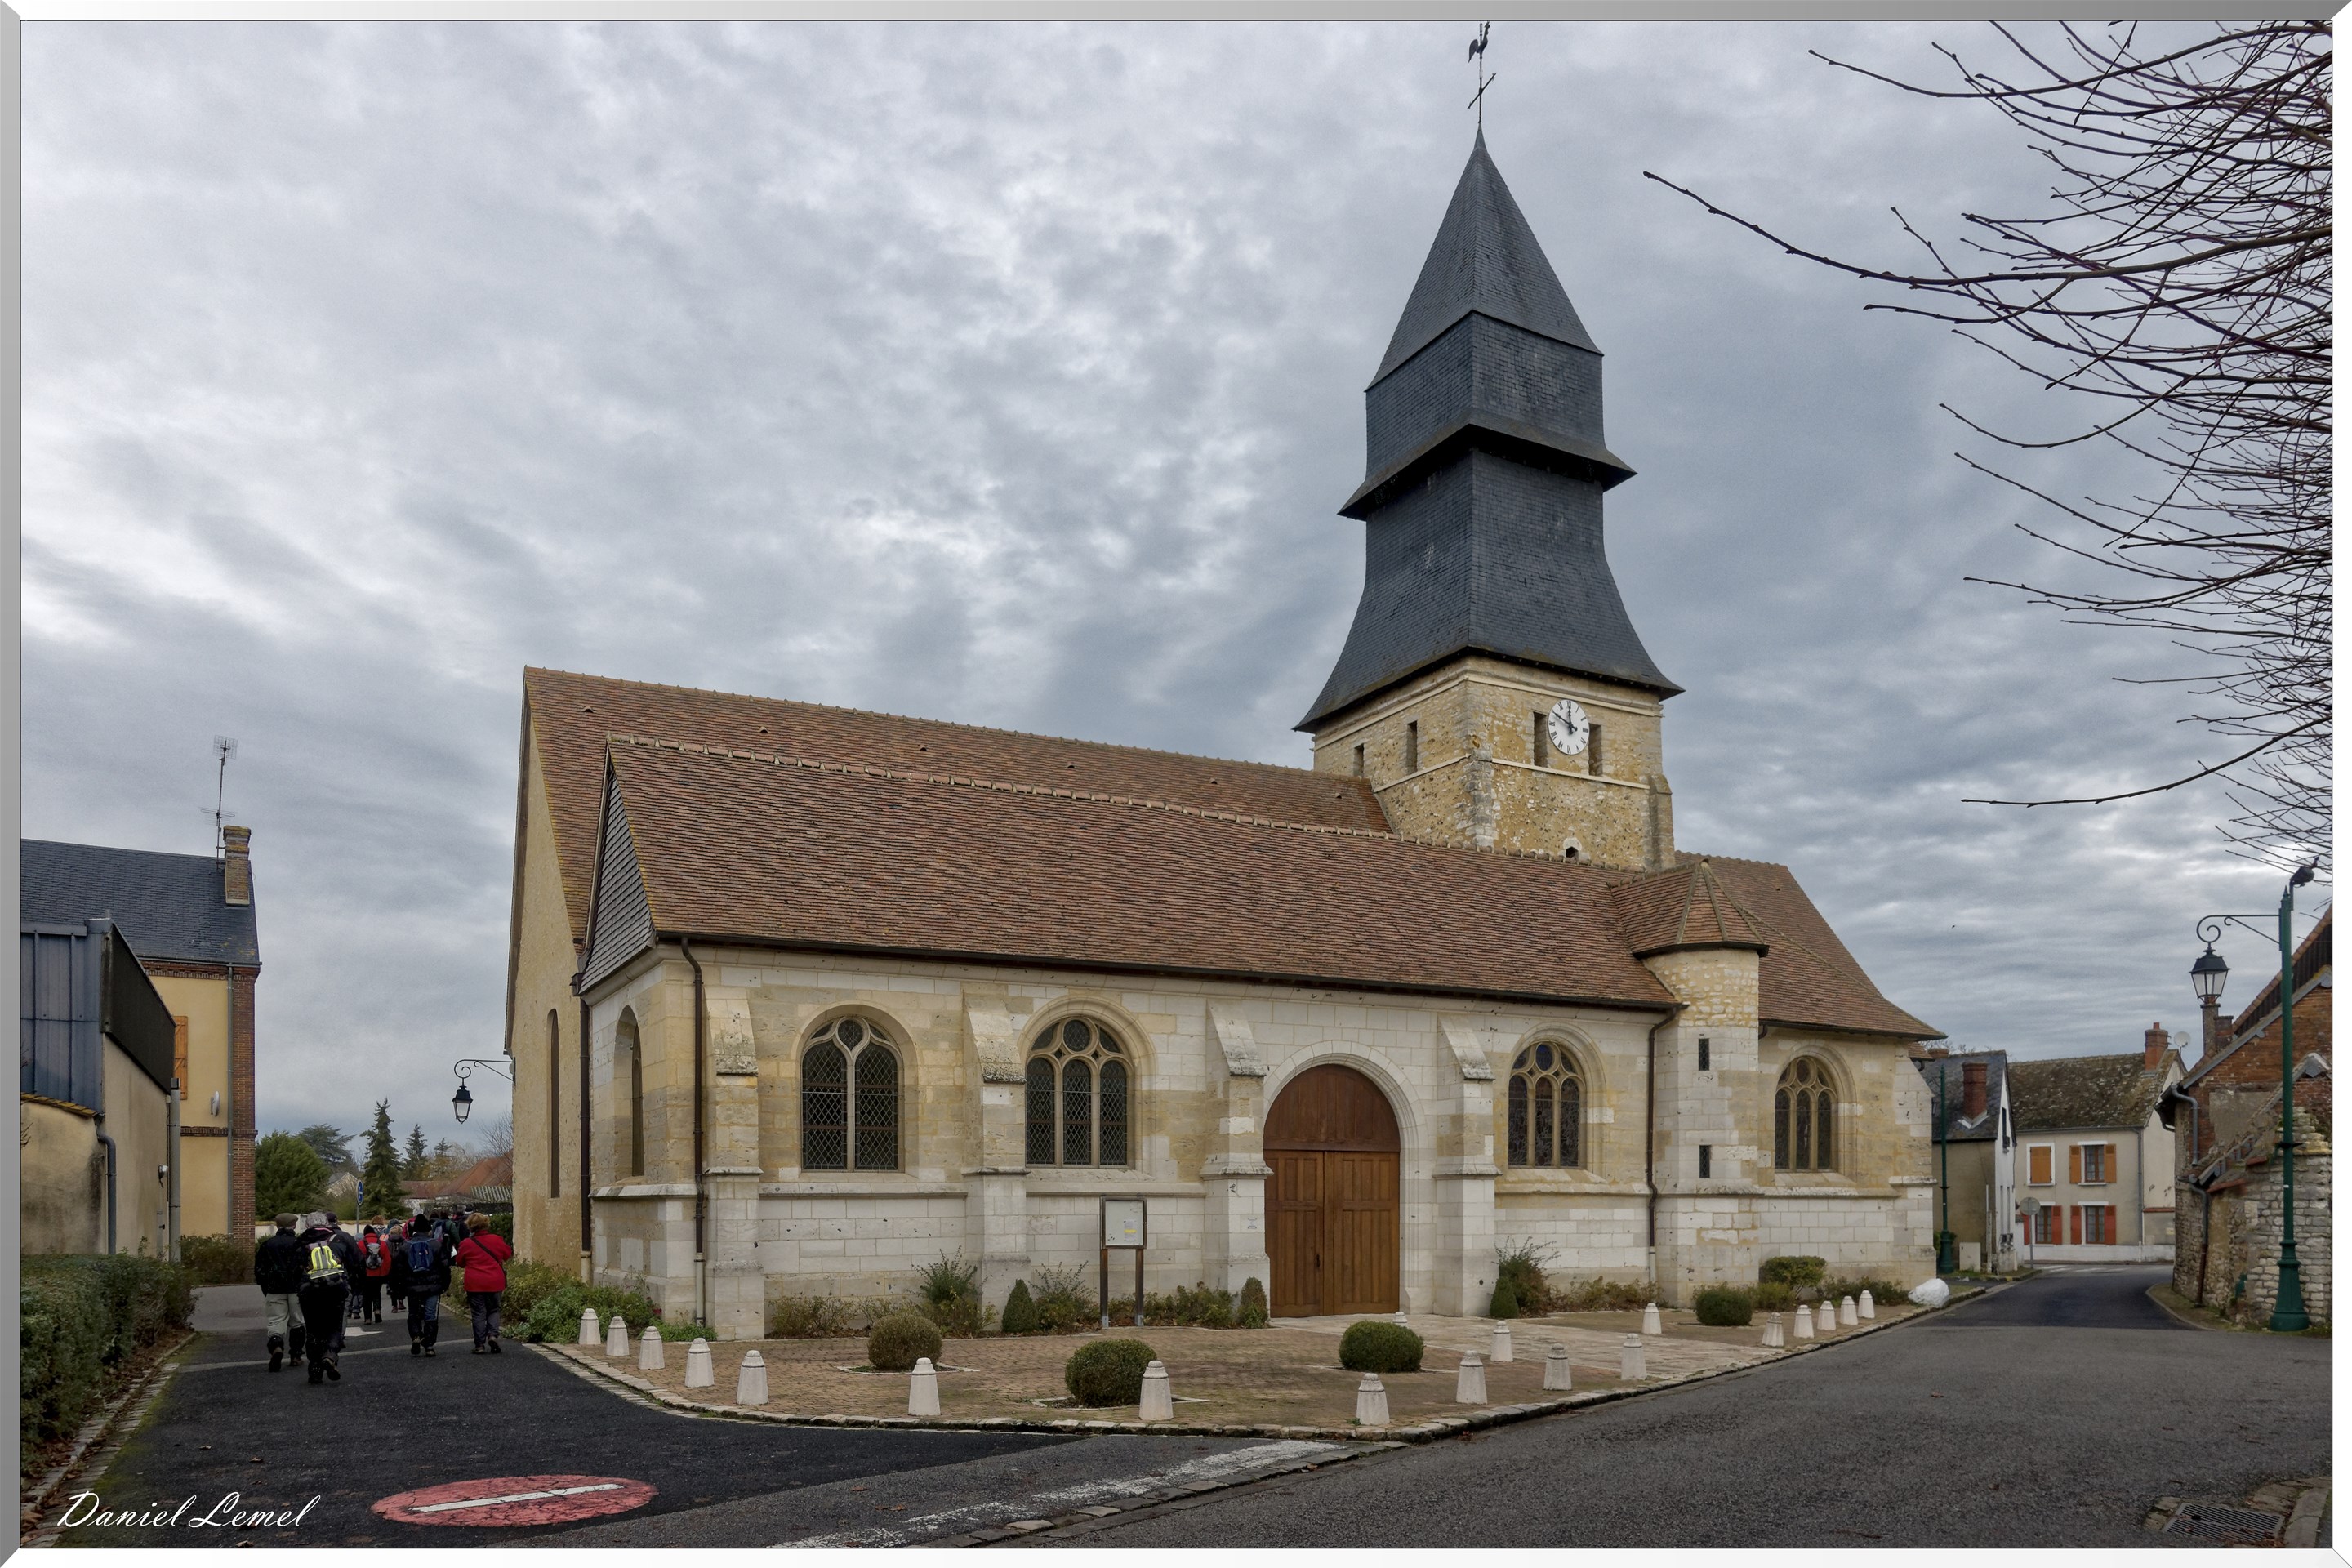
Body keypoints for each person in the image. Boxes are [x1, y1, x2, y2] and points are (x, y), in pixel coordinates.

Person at [295, 1212, 360, 1384]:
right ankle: (330, 1355)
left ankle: (315, 1371)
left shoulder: (301, 1242)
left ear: (308, 1225)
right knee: (334, 1325)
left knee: (314, 1330)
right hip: (336, 1288)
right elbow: (357, 1262)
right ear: (327, 1224)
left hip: (310, 1292)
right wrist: (351, 1284)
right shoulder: (340, 1239)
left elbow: (293, 1269)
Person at [253, 1213, 310, 1374]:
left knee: (276, 1322)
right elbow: (306, 1267)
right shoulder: (299, 1245)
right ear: (293, 1226)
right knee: (298, 1322)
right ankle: (296, 1356)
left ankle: (277, 1346)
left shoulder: (268, 1245)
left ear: (277, 1226)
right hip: (296, 1289)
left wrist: (267, 1288)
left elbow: (259, 1271)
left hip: (275, 1289)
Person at [390, 1214, 452, 1356]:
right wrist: (445, 1284)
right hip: (433, 1286)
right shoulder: (436, 1244)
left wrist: (398, 1288)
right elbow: (444, 1267)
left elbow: (397, 1270)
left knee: (414, 1312)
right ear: (428, 1229)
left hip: (412, 1287)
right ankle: (429, 1345)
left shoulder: (406, 1246)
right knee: (430, 1314)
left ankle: (416, 1336)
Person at [453, 1214, 514, 1354]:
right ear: (486, 1224)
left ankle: (479, 1344)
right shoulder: (497, 1240)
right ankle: (493, 1335)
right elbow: (507, 1255)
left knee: (478, 1313)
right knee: (494, 1309)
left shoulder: (466, 1243)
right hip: (495, 1281)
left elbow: (460, 1262)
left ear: (470, 1226)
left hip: (475, 1282)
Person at [355, 1222, 391, 1324]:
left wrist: (358, 1273)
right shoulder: (382, 1243)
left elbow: (357, 1260)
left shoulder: (361, 1244)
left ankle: (367, 1318)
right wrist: (384, 1273)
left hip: (365, 1274)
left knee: (366, 1295)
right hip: (378, 1274)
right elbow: (387, 1260)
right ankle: (377, 1310)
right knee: (376, 1292)